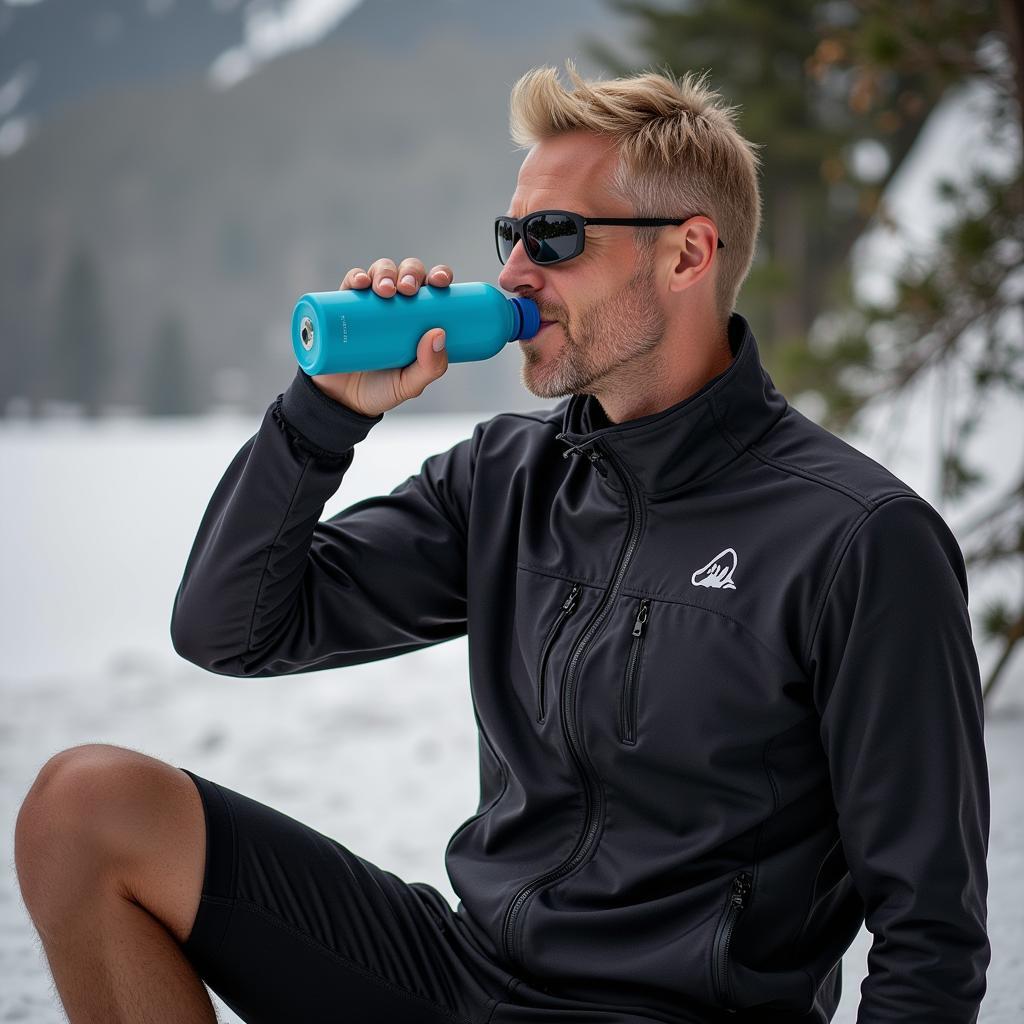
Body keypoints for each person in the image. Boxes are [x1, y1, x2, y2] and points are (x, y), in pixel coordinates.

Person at [14, 58, 989, 1024]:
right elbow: (232, 626)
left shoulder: (858, 538)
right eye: (509, 233)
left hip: (668, 1012)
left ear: (688, 253)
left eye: (554, 237)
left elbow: (929, 935)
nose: (514, 271)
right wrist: (322, 416)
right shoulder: (505, 477)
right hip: (468, 977)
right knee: (85, 810)